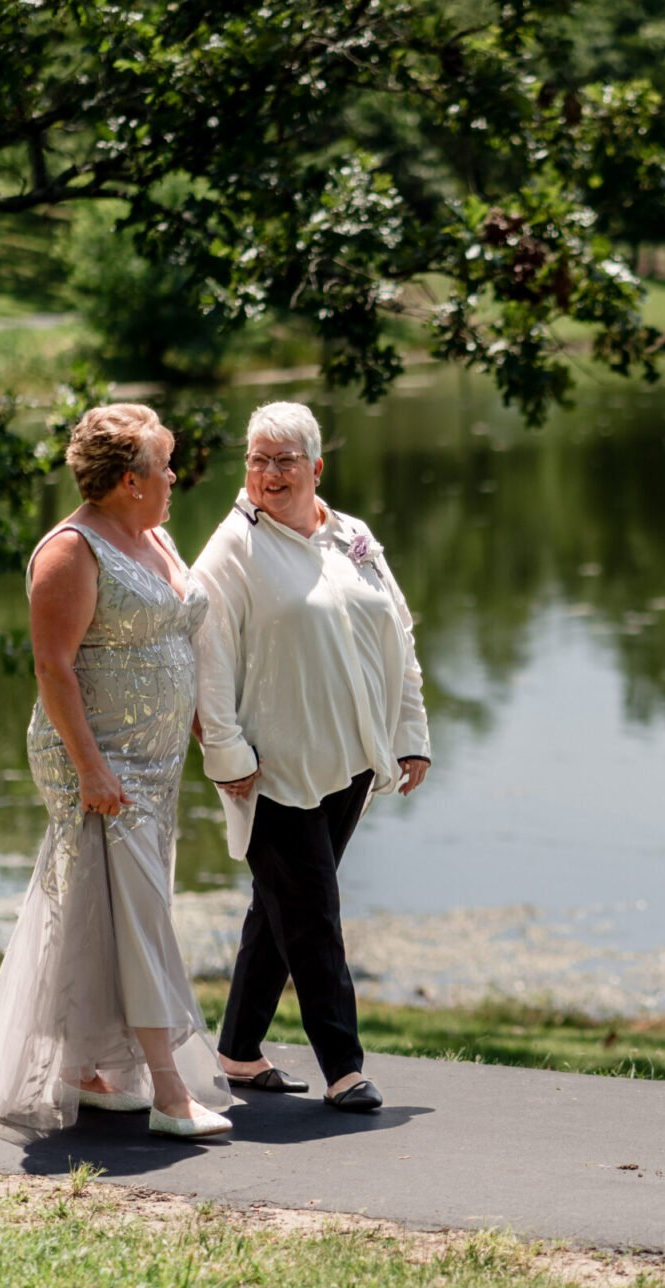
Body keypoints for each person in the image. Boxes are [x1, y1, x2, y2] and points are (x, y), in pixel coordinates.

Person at [0, 404, 233, 1142]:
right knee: (139, 912)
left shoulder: (152, 534)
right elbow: (52, 668)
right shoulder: (71, 551)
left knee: (107, 910)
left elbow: (178, 635)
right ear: (125, 482)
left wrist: (209, 731)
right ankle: (171, 1094)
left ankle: (89, 1069)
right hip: (99, 757)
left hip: (157, 758)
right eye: (163, 467)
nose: (174, 477)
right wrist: (90, 768)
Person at [192, 400, 430, 1114]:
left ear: (316, 468)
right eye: (257, 458)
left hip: (351, 763)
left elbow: (399, 636)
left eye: (283, 460)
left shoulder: (351, 535)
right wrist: (227, 754)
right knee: (315, 912)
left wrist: (410, 733)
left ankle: (236, 1051)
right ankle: (344, 1068)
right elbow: (207, 653)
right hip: (275, 768)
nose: (267, 473)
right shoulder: (233, 547)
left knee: (280, 907)